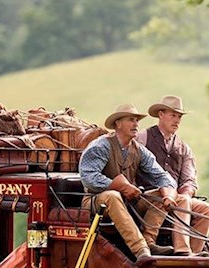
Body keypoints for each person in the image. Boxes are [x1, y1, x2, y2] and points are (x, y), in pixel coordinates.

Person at [78, 104, 194, 259]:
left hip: (128, 202)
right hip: (96, 201)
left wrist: (168, 195)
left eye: (137, 121)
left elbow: (162, 176)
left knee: (160, 193)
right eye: (131, 120)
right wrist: (122, 187)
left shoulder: (139, 149)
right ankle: (141, 250)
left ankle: (149, 242)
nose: (136, 124)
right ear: (118, 124)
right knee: (113, 196)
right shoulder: (101, 146)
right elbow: (89, 177)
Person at [137, 95, 209, 256]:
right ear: (161, 114)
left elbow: (189, 180)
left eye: (179, 117)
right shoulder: (142, 138)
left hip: (177, 200)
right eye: (173, 115)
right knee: (181, 199)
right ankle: (182, 250)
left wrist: (183, 195)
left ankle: (195, 253)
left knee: (207, 210)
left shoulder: (183, 148)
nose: (177, 121)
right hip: (147, 197)